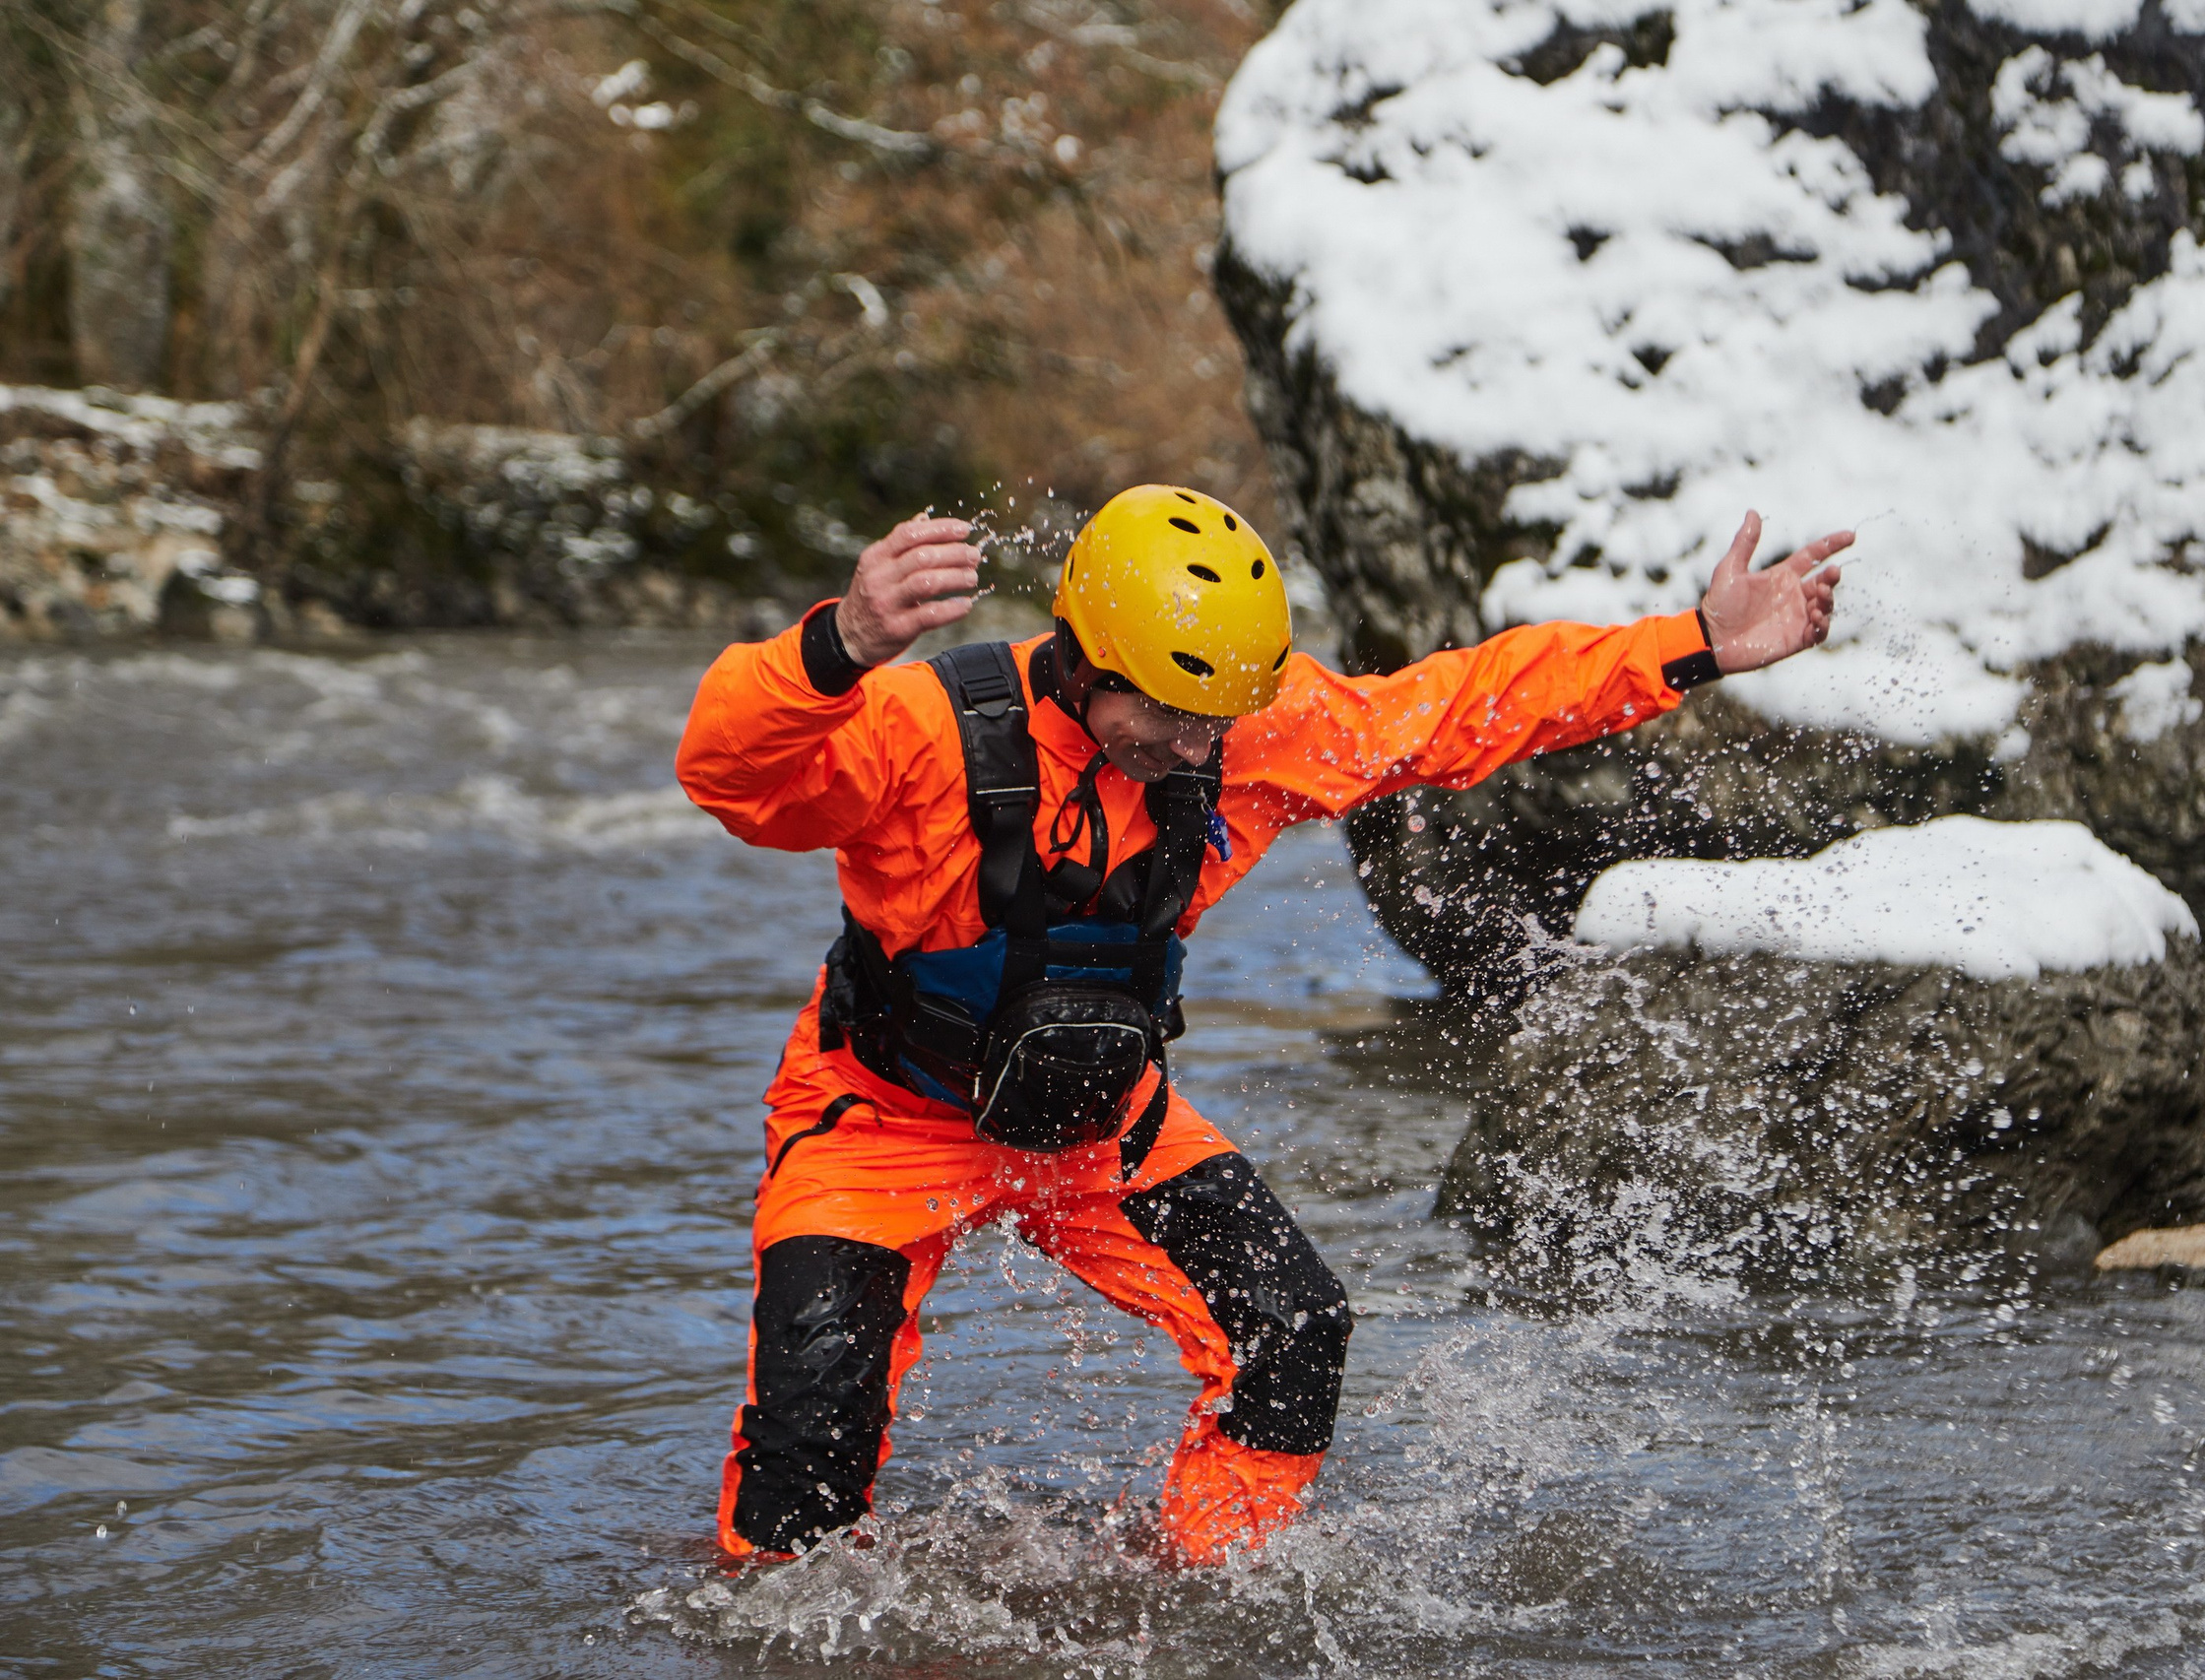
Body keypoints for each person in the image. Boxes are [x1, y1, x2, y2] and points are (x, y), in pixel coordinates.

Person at [676, 485, 1846, 1564]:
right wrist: (836, 647)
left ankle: (1202, 1580)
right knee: (806, 1457)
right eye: (1170, 719)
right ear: (1086, 662)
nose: (1197, 748)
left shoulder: (1244, 726)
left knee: (1294, 1326)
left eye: (1216, 721)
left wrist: (1692, 645)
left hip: (1100, 1121)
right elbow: (731, 777)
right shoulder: (920, 730)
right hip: (879, 1115)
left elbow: (1457, 707)